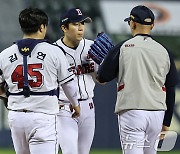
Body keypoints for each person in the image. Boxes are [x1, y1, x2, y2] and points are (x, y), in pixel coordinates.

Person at [97, 5, 179, 154]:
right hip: (157, 113)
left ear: (132, 23)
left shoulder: (122, 48)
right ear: (152, 25)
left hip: (132, 112)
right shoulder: (165, 51)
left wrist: (105, 61)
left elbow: (102, 77)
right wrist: (166, 122)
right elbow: (171, 88)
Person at [0, 8, 80, 154]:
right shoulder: (54, 51)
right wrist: (76, 105)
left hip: (16, 117)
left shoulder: (4, 54)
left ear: (22, 27)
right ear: (42, 27)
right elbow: (69, 84)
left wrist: (8, 98)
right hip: (43, 117)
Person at [54, 8, 98, 154]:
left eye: (83, 23)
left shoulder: (92, 47)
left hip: (88, 106)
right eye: (75, 24)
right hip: (64, 108)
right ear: (64, 28)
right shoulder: (53, 51)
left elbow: (101, 81)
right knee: (70, 151)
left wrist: (98, 66)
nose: (80, 28)